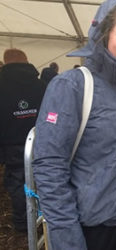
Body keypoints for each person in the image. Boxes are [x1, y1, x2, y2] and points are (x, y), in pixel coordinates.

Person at [32, 0, 116, 249]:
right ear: (104, 33)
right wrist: (68, 239)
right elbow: (49, 166)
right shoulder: (73, 86)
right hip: (89, 232)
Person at [0, 48, 47, 232]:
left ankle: (23, 224)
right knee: (43, 179)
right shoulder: (41, 85)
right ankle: (44, 218)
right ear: (26, 60)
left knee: (18, 182)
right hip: (40, 142)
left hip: (12, 144)